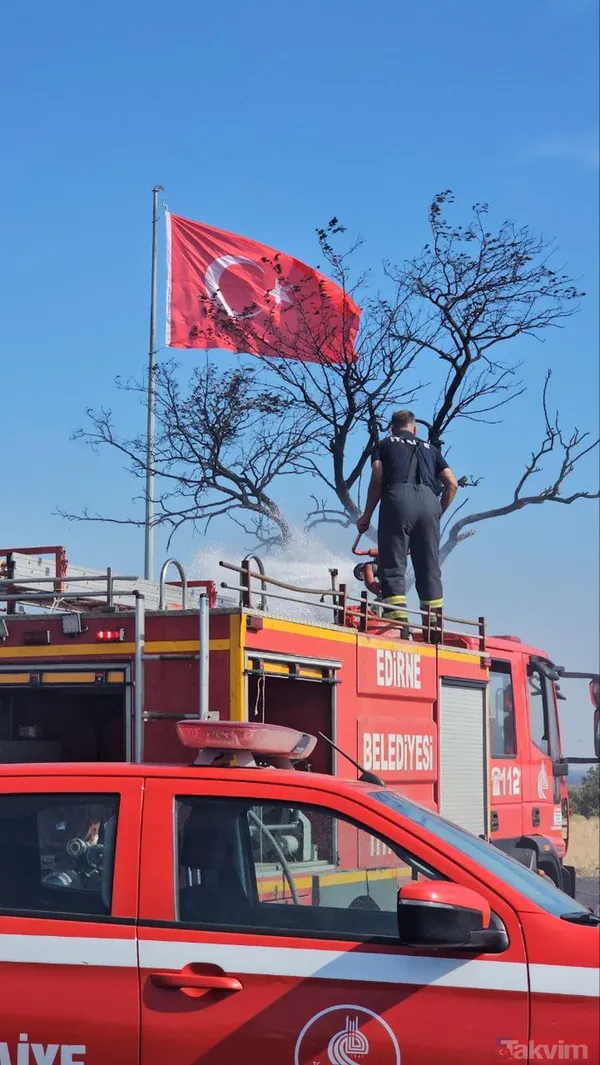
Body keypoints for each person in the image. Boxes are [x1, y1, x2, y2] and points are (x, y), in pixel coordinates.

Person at [356, 410, 458, 636]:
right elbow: (452, 483)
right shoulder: (431, 449)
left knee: (393, 565)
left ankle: (399, 626)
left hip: (397, 501)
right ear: (414, 428)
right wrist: (437, 513)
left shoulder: (383, 445)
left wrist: (367, 515)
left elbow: (377, 477)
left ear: (392, 427)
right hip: (430, 503)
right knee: (429, 568)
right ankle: (434, 629)